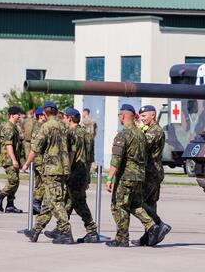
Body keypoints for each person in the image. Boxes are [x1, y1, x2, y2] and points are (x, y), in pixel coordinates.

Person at [106, 104, 166, 247]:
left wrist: (109, 178)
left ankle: (124, 237)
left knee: (119, 205)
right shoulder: (141, 134)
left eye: (145, 116)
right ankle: (153, 227)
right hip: (141, 174)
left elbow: (116, 158)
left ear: (122, 116)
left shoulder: (126, 134)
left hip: (132, 174)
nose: (143, 119)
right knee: (136, 204)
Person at [20, 102, 75, 244]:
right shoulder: (65, 126)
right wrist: (67, 165)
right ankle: (36, 231)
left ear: (44, 113)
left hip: (52, 169)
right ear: (56, 112)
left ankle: (66, 232)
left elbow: (35, 149)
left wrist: (26, 164)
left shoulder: (45, 127)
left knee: (56, 201)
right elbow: (72, 150)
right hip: (63, 168)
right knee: (49, 201)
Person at [52, 108, 99, 243]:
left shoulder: (70, 133)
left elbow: (69, 154)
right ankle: (60, 228)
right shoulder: (87, 134)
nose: (64, 120)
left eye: (65, 117)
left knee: (78, 203)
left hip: (74, 171)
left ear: (70, 119)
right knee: (69, 200)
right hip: (84, 171)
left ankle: (92, 230)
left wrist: (65, 170)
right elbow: (91, 156)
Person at [132, 105, 170, 246]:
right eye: (141, 116)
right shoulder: (149, 129)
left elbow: (141, 144)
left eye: (144, 116)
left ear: (152, 115)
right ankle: (150, 235)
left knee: (139, 202)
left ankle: (160, 224)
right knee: (150, 205)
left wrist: (134, 129)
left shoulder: (155, 131)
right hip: (150, 171)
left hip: (151, 172)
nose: (142, 119)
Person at [0, 106, 25, 213]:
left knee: (15, 181)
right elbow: (8, 145)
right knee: (14, 181)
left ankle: (10, 205)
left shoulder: (13, 126)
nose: (19, 116)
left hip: (13, 157)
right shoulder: (8, 127)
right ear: (12, 115)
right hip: (9, 158)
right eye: (18, 114)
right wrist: (14, 160)